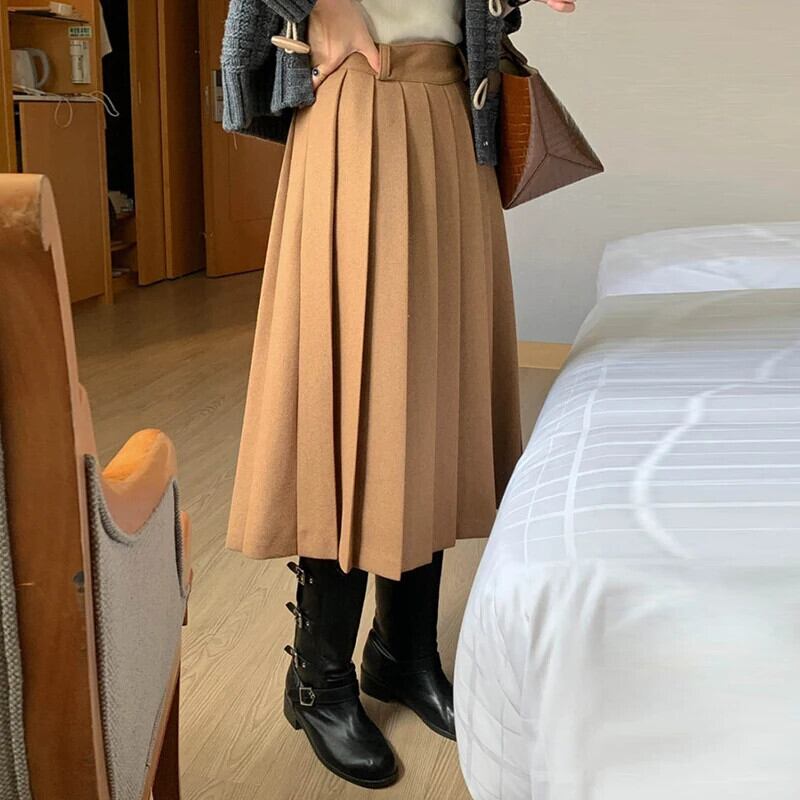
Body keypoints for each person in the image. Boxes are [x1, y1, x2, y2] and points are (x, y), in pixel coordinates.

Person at [221, 0, 576, 788]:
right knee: (348, 390)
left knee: (435, 393)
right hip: (359, 91)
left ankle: (402, 652)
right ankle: (317, 680)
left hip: (455, 101)